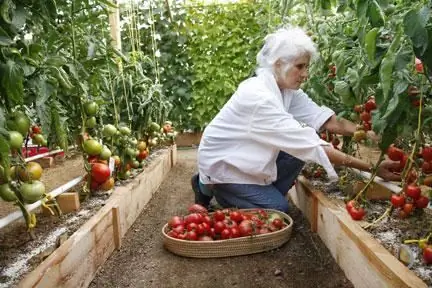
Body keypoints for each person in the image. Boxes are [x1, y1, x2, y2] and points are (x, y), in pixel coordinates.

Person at [191, 25, 401, 213]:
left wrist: (374, 134)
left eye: (306, 67)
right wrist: (372, 168)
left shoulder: (286, 90)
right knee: (278, 208)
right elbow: (313, 146)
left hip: (243, 155)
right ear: (279, 63)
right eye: (300, 66)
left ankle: (250, 194)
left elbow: (328, 121)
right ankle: (214, 189)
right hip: (225, 164)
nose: (305, 74)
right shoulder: (259, 97)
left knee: (297, 153)